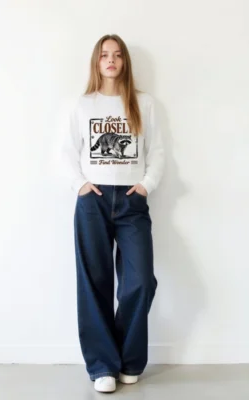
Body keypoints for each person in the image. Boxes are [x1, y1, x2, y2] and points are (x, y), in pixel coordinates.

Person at [61, 33, 165, 393]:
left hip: (132, 201)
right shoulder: (83, 104)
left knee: (140, 281)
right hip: (93, 199)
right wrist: (80, 185)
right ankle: (102, 365)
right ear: (97, 61)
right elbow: (66, 151)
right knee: (95, 282)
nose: (111, 60)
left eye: (117, 55)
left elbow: (157, 151)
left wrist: (146, 185)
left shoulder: (143, 103)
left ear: (124, 62)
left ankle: (128, 358)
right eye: (105, 54)